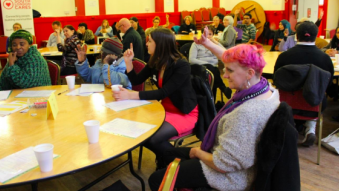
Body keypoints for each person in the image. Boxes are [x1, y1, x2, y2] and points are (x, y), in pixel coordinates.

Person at [149, 28, 279, 191]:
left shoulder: (245, 114)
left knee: (156, 180)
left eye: (229, 71)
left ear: (249, 73)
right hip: (233, 162)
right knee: (168, 155)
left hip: (229, 176)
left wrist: (197, 152)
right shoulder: (266, 88)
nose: (224, 75)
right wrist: (208, 43)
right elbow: (233, 60)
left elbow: (223, 164)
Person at [113, 28, 198, 162]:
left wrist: (130, 95)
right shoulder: (156, 61)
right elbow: (136, 80)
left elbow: (163, 92)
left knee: (152, 138)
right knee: (140, 133)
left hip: (183, 112)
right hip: (163, 109)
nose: (146, 44)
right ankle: (171, 161)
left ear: (160, 44)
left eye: (150, 41)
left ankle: (182, 163)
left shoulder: (181, 65)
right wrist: (128, 62)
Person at [274, 21, 334, 146]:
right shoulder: (324, 58)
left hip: (288, 104)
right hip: (313, 105)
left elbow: (277, 80)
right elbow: (327, 84)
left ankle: (289, 127)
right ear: (316, 36)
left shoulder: (284, 57)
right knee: (318, 94)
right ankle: (310, 128)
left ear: (296, 36)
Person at [189, 26, 232, 100]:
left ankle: (211, 102)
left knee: (213, 73)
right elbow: (191, 60)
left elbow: (226, 55)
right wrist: (207, 64)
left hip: (213, 69)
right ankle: (223, 88)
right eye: (205, 34)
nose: (207, 36)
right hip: (199, 67)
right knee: (213, 71)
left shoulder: (214, 45)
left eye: (210, 34)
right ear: (202, 34)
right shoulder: (195, 44)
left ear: (213, 35)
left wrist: (216, 42)